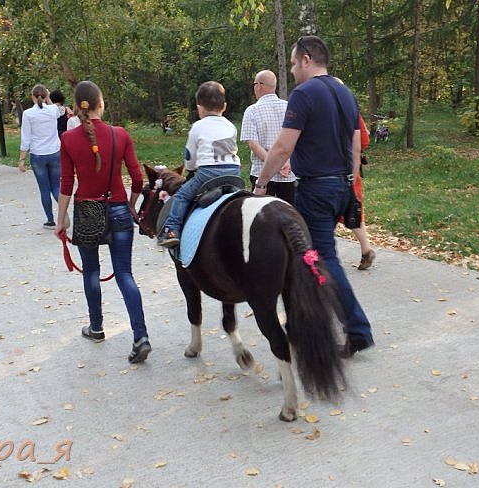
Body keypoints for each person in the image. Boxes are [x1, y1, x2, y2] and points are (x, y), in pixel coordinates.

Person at [253, 35, 374, 357]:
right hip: (341, 185)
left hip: (316, 189)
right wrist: (350, 186)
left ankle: (356, 329)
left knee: (319, 259)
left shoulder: (304, 93)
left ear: (307, 59)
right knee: (311, 257)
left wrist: (261, 184)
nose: (292, 70)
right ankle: (308, 321)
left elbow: (282, 147)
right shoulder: (345, 93)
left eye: (293, 63)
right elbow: (356, 146)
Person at [54, 80, 152, 364]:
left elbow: (65, 183)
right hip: (119, 210)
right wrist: (131, 205)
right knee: (124, 274)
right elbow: (136, 177)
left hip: (87, 213)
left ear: (75, 107)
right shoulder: (119, 135)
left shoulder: (68, 140)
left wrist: (61, 221)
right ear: (101, 104)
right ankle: (140, 336)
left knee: (91, 272)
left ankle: (96, 327)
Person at [157, 81, 241, 248]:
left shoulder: (197, 127)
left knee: (181, 196)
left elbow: (190, 157)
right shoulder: (231, 126)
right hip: (234, 173)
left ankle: (171, 230)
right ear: (224, 107)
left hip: (208, 174)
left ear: (199, 108)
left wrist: (190, 168)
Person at [240, 70, 295, 204]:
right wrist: (283, 163)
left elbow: (253, 144)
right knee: (288, 217)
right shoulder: (290, 107)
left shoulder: (252, 110)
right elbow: (297, 139)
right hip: (289, 175)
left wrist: (274, 163)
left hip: (262, 176)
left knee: (262, 220)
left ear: (259, 85)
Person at [18, 84, 62, 228]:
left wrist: (22, 159)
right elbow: (56, 111)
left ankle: (50, 220)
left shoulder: (28, 114)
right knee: (56, 187)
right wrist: (48, 97)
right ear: (46, 96)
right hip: (55, 152)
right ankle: (63, 213)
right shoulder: (53, 110)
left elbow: (26, 138)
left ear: (32, 96)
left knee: (44, 189)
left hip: (38, 154)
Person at [352, 114, 375, 270]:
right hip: (352, 166)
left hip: (340, 167)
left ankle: (320, 255)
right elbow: (365, 139)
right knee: (352, 209)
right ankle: (366, 251)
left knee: (350, 210)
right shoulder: (350, 110)